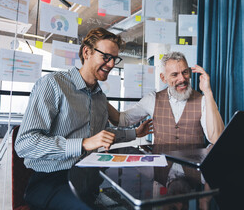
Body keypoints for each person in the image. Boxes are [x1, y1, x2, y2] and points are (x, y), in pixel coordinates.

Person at [15, 27, 151, 210]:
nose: (111, 64)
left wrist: (135, 133)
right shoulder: (53, 84)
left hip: (89, 175)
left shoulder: (100, 97)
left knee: (131, 203)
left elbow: (102, 135)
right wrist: (82, 143)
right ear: (86, 52)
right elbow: (24, 143)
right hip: (51, 180)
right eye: (106, 57)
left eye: (114, 59)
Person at [108, 51, 224, 145]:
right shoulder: (152, 99)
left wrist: (208, 92)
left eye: (185, 72)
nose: (182, 79)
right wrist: (101, 99)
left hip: (192, 170)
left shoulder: (204, 100)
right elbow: (121, 120)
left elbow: (216, 138)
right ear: (163, 78)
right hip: (162, 170)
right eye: (175, 74)